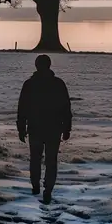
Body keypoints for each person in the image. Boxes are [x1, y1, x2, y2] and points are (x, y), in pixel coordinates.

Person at [16, 54, 72, 204]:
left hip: (36, 128)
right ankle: (47, 189)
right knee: (50, 160)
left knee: (36, 158)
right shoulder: (58, 84)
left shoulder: (29, 84)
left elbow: (22, 109)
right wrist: (67, 128)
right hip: (53, 129)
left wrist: (21, 128)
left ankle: (36, 186)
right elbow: (66, 108)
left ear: (36, 66)